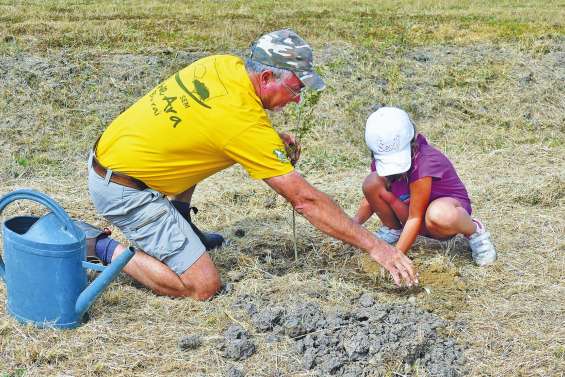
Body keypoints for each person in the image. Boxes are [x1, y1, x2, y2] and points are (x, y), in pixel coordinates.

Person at [86, 29, 418, 300]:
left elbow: (217, 123)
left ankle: (181, 222)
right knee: (202, 286)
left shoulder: (222, 66)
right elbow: (305, 200)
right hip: (125, 190)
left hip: (116, 154)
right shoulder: (242, 124)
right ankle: (99, 246)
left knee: (202, 144)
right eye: (295, 88)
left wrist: (268, 139)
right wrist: (378, 248)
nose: (298, 98)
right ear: (268, 76)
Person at [352, 106, 496, 266]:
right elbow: (371, 197)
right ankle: (393, 229)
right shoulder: (382, 159)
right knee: (372, 181)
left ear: (411, 141)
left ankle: (474, 232)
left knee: (439, 215)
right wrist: (352, 226)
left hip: (440, 216)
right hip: (413, 213)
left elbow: (415, 217)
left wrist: (395, 258)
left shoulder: (425, 163)